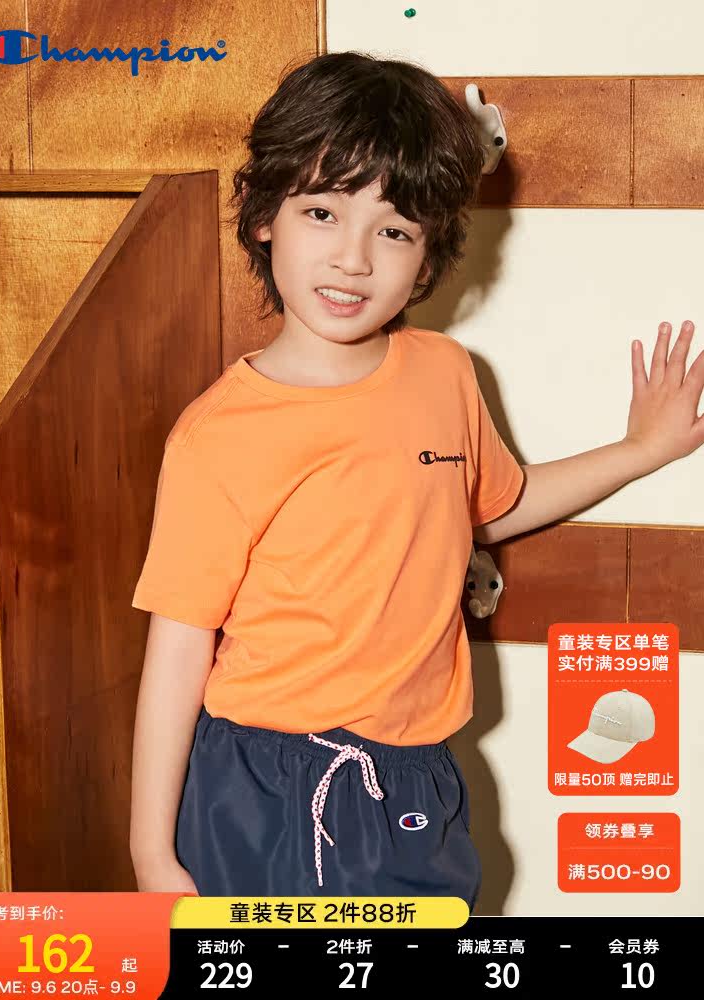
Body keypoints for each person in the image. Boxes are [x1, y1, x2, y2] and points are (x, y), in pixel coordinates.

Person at [128, 51, 702, 906]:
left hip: (417, 774)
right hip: (273, 780)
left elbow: (489, 507)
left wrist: (643, 448)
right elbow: (178, 647)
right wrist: (150, 852)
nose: (353, 258)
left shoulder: (444, 373)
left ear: (428, 255)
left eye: (393, 230)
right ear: (265, 217)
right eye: (322, 212)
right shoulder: (219, 435)